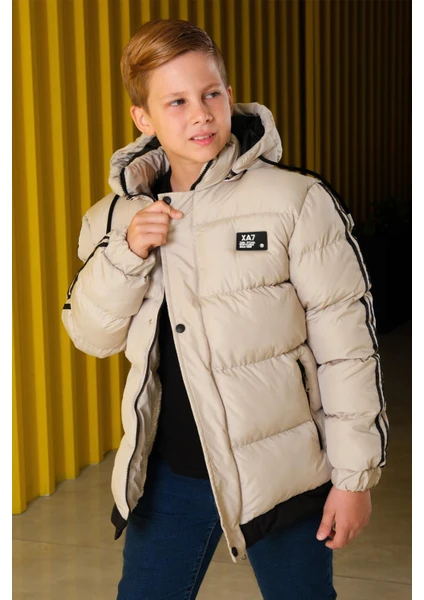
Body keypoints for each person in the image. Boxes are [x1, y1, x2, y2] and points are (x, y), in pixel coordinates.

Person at [62, 18, 389, 600]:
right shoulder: (113, 218)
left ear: (230, 94)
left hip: (284, 473)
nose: (201, 114)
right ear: (143, 117)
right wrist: (127, 255)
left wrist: (354, 478)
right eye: (177, 101)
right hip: (169, 476)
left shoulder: (296, 201)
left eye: (211, 93)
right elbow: (92, 335)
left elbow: (348, 349)